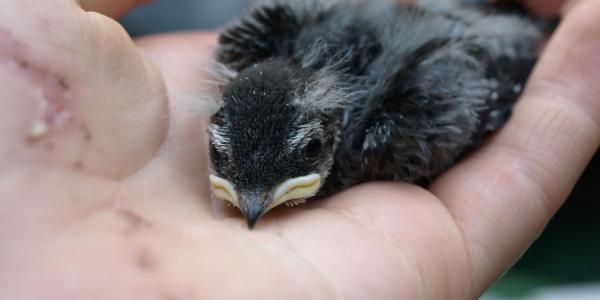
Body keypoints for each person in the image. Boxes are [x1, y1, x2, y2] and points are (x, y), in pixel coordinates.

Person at [0, 0, 597, 298]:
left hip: (482, 35)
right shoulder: (256, 42)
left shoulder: (397, 130)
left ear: (330, 138)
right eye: (225, 156)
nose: (252, 204)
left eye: (307, 152)